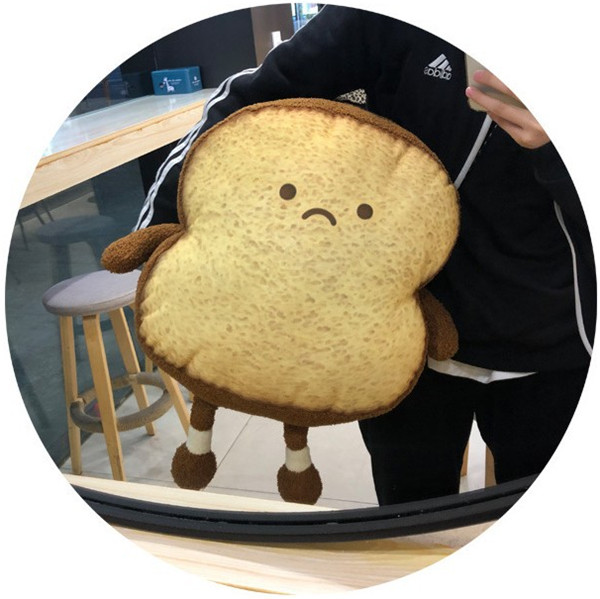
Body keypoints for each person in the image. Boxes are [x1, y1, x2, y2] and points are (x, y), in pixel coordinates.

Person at [133, 5, 595, 504]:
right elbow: (252, 95)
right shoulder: (390, 20)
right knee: (407, 520)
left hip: (555, 338)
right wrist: (164, 229)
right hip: (399, 340)